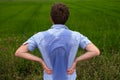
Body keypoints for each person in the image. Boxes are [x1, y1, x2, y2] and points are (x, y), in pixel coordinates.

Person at [15, 3, 100, 80]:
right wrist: (76, 60)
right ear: (67, 18)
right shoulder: (76, 36)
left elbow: (19, 52)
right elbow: (95, 51)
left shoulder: (39, 36)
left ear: (51, 18)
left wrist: (41, 61)